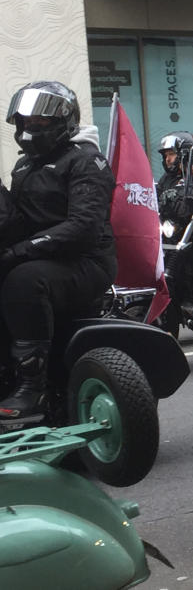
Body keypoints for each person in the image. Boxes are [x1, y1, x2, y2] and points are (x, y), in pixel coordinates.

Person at [0, 81, 117, 420]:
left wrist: (19, 251)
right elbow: (18, 221)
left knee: (23, 279)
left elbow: (83, 228)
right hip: (41, 256)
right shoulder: (25, 166)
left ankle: (31, 387)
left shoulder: (85, 161)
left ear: (63, 122)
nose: (28, 130)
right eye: (24, 123)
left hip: (85, 261)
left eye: (38, 123)